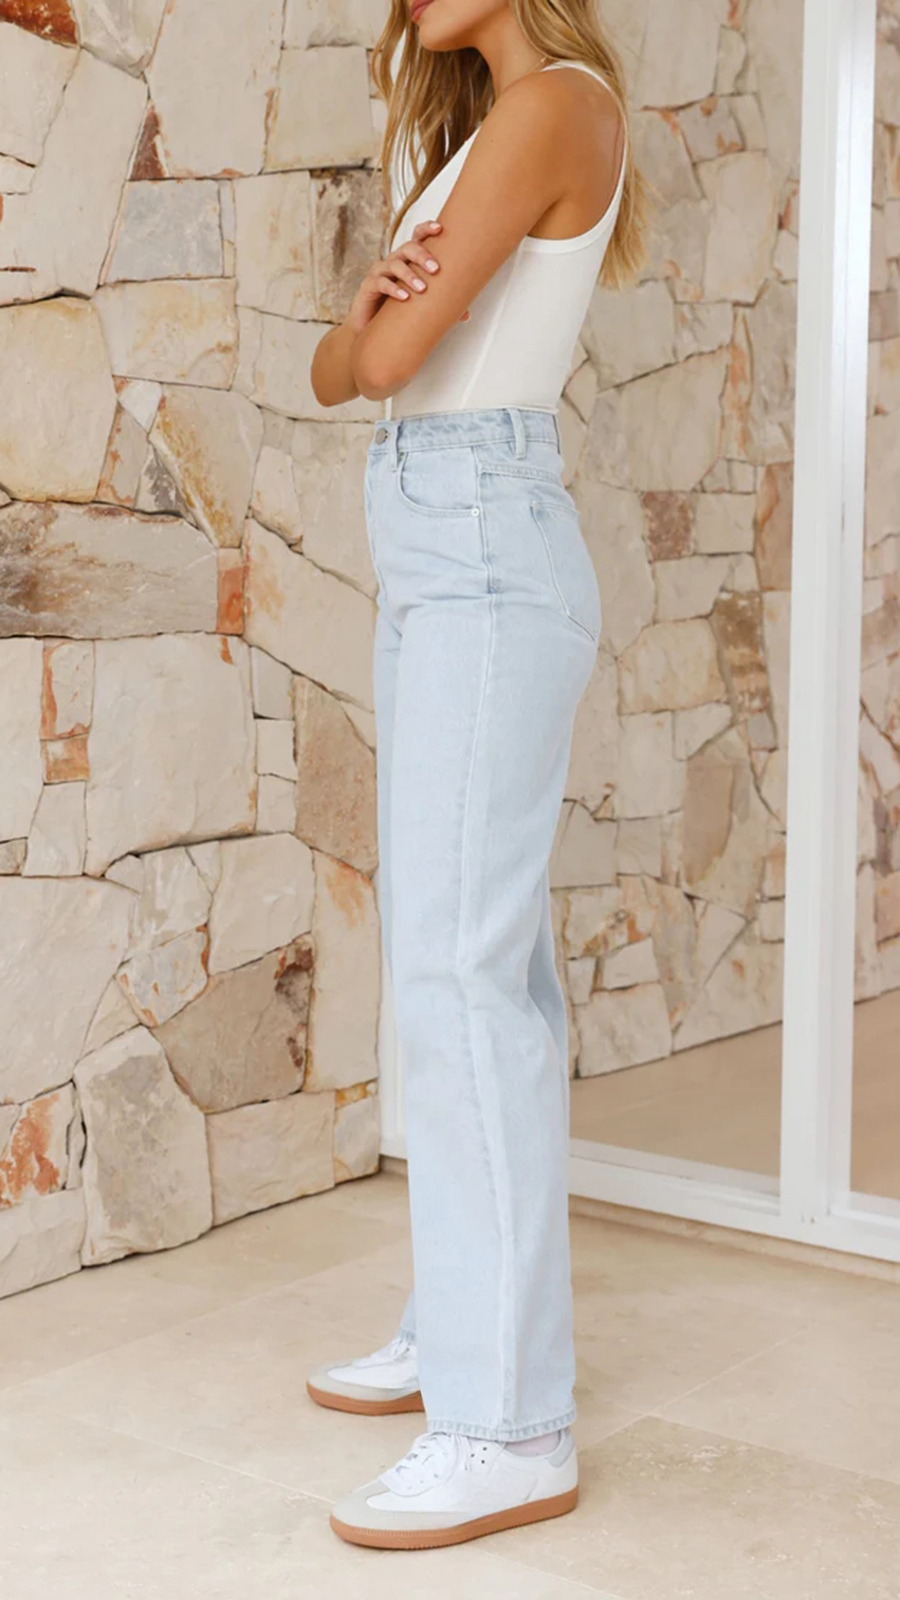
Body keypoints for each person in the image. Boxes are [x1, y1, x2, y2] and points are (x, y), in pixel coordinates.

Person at [308, 0, 645, 1552]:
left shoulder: (554, 106)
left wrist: (362, 330)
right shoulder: (474, 132)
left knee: (462, 977)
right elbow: (350, 362)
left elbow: (380, 356)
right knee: (459, 965)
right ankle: (462, 1323)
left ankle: (507, 1426)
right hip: (441, 544)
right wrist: (358, 333)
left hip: (485, 550)